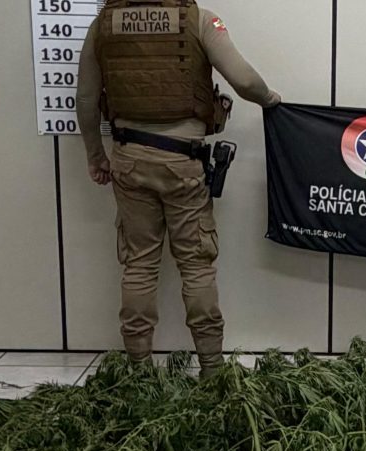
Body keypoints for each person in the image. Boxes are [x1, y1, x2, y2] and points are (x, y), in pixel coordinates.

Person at [76, 0, 280, 378]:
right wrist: (271, 100)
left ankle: (139, 374)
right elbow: (245, 81)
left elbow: (86, 99)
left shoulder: (104, 23)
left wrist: (95, 155)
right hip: (184, 163)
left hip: (128, 160)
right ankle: (212, 371)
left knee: (139, 264)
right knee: (196, 266)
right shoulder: (197, 20)